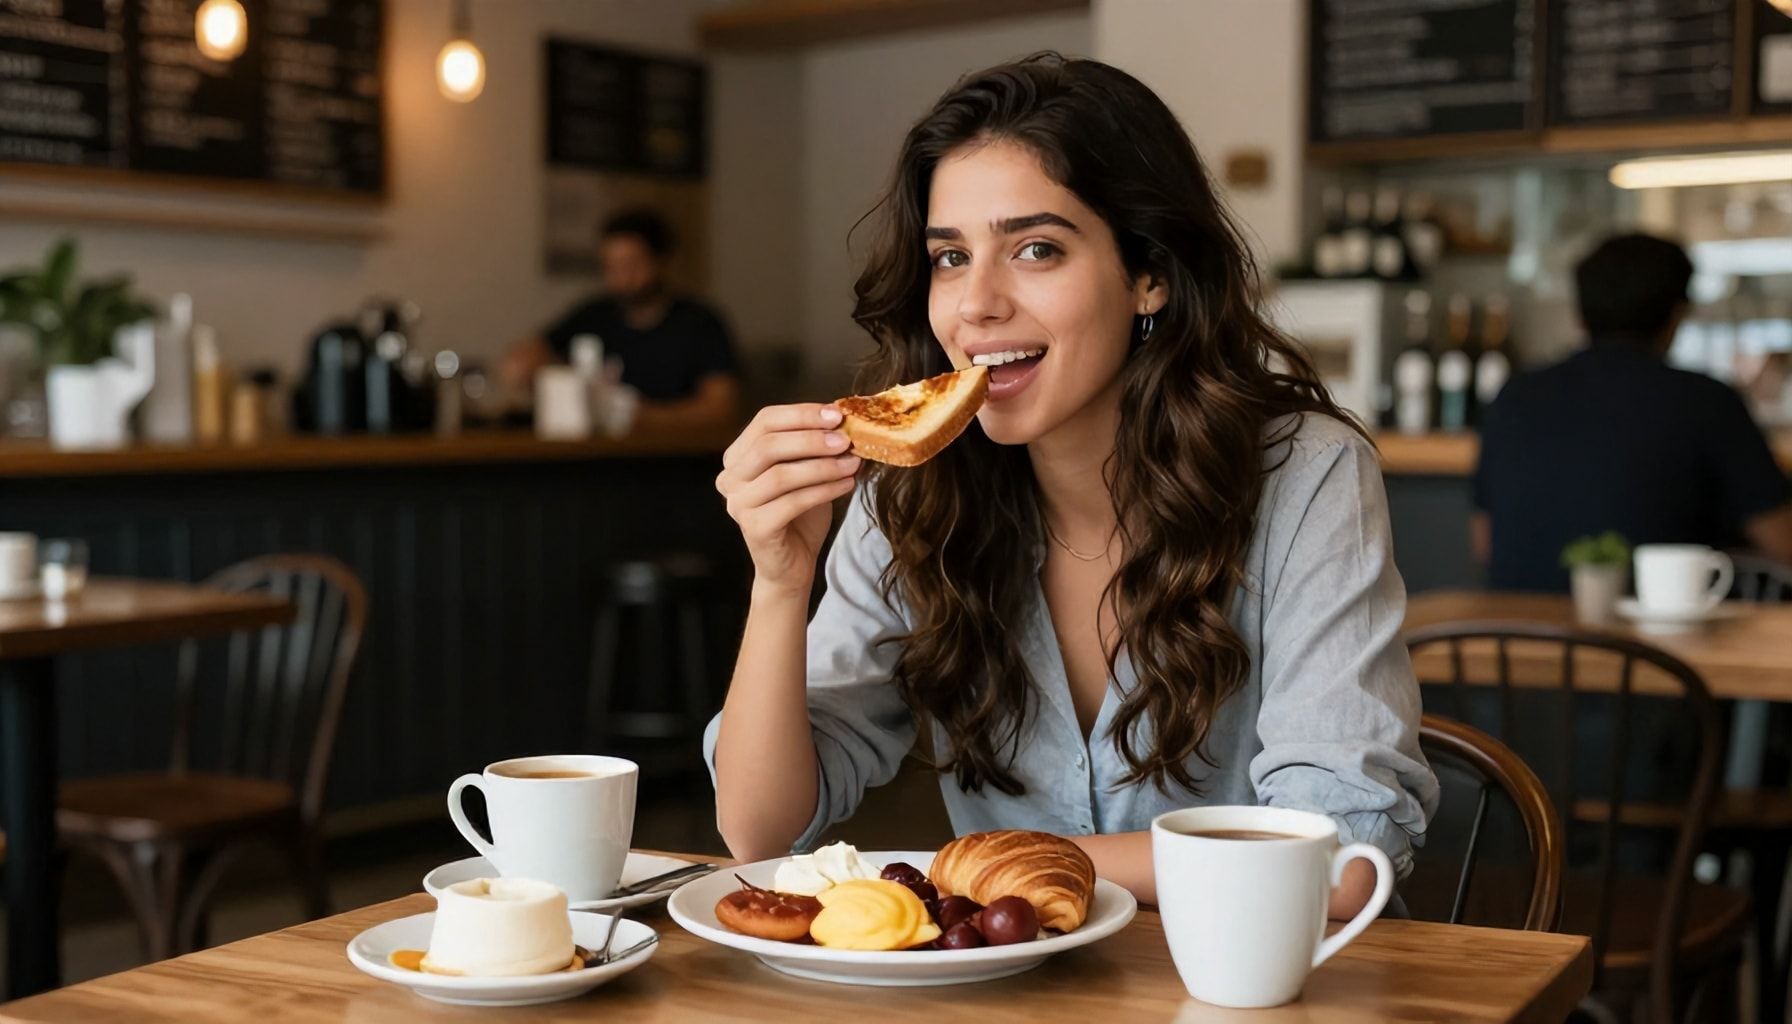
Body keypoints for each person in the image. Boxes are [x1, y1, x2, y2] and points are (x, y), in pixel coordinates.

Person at [706, 54, 1436, 917]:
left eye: (1036, 249)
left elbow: (1346, 851)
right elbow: (760, 830)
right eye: (949, 257)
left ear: (1149, 274)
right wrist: (780, 581)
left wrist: (992, 869)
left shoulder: (1305, 474)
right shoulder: (909, 491)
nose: (976, 305)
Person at [1473, 233, 1792, 591]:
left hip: (1507, 639)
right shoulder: (1707, 402)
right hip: (1653, 644)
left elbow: (1486, 544)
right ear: (1678, 313)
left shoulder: (1513, 397)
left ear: (1580, 314)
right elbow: (1782, 542)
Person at [502, 208, 741, 432]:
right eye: (611, 267)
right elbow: (523, 361)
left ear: (662, 261)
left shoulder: (701, 323)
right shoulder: (594, 315)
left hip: (678, 460)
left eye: (631, 264)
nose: (621, 278)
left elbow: (721, 408)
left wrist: (643, 416)